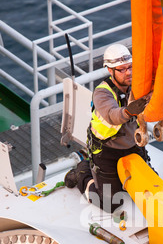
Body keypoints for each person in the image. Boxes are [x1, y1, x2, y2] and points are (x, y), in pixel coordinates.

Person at [64, 43, 152, 212]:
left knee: (149, 189)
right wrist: (129, 110)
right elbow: (113, 116)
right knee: (109, 203)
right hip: (106, 150)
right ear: (110, 71)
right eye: (122, 69)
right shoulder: (102, 93)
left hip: (132, 146)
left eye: (130, 67)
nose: (128, 73)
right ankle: (82, 171)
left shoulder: (137, 86)